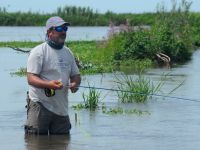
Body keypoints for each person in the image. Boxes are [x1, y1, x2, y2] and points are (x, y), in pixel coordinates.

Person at [25, 16, 81, 135]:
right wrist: (48, 84)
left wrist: (75, 84)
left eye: (65, 28)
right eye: (60, 28)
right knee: (36, 141)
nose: (64, 32)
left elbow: (76, 75)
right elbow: (31, 78)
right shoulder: (38, 51)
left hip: (61, 108)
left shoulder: (68, 52)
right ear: (50, 32)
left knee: (62, 142)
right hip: (40, 104)